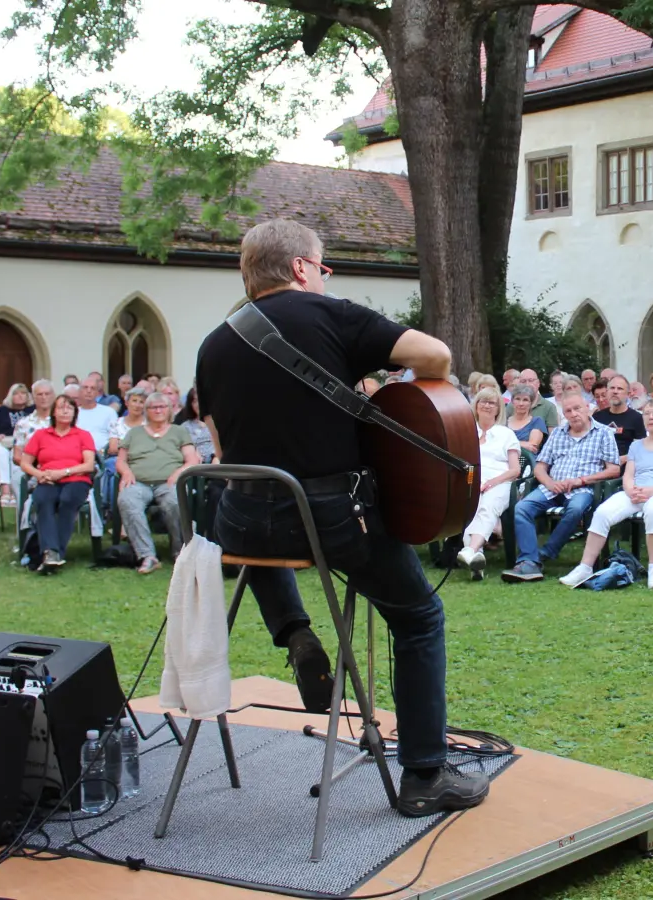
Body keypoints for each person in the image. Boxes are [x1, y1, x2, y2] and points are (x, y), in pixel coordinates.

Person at [194, 218, 488, 815]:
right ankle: (426, 777)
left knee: (262, 532)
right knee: (420, 617)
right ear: (302, 267)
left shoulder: (214, 343)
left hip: (241, 523)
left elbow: (223, 447)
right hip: (332, 523)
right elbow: (436, 355)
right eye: (323, 266)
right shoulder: (331, 316)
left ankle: (295, 633)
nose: (325, 278)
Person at [559, 400, 653, 590]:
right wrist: (630, 490)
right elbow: (628, 475)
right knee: (602, 512)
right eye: (646, 414)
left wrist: (652, 491)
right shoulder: (636, 446)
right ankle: (585, 567)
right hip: (635, 491)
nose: (651, 417)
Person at [502, 391, 621, 582]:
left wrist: (581, 480)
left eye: (577, 408)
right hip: (552, 486)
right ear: (564, 414)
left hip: (582, 488)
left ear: (587, 409)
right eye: (568, 410)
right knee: (522, 508)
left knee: (575, 509)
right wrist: (550, 483)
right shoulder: (557, 433)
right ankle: (529, 560)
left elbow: (613, 470)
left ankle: (544, 554)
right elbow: (540, 467)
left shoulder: (604, 433)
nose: (574, 414)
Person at [115, 391, 200, 574]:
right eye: (153, 407)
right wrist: (127, 471)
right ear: (146, 411)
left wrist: (178, 473)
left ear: (169, 410)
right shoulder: (134, 433)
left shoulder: (179, 431)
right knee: (127, 500)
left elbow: (192, 460)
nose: (158, 410)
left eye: (162, 406)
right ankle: (147, 555)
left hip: (168, 481)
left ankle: (180, 551)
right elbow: (120, 460)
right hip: (138, 482)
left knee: (174, 502)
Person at [19, 393, 96, 570]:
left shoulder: (82, 435)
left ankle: (54, 553)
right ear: (53, 412)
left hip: (77, 479)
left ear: (75, 413)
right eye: (61, 407)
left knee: (68, 500)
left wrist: (63, 472)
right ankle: (51, 552)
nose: (65, 411)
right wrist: (39, 474)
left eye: (69, 408)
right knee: (43, 500)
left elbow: (89, 465)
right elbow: (25, 463)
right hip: (47, 479)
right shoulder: (41, 435)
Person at [455, 389, 523, 580]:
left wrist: (491, 482)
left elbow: (515, 470)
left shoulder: (506, 434)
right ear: (475, 406)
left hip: (500, 482)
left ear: (498, 409)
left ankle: (469, 549)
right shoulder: (466, 433)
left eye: (491, 403)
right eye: (482, 401)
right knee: (467, 512)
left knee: (487, 507)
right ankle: (477, 559)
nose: (486, 405)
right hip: (472, 482)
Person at [0, 384, 31, 506]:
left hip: (23, 444)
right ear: (10, 396)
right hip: (4, 442)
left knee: (15, 453)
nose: (20, 396)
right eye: (16, 393)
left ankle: (14, 492)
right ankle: (5, 490)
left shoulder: (32, 410)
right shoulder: (2, 411)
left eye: (23, 393)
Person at [593, 374, 645, 458]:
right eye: (612, 388)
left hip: (626, 466)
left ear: (628, 394)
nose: (615, 391)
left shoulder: (637, 418)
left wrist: (621, 460)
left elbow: (640, 449)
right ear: (607, 392)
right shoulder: (596, 418)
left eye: (620, 388)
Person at [175, 386, 215, 463]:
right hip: (195, 465)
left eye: (201, 401)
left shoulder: (218, 423)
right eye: (195, 401)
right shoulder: (185, 427)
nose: (198, 405)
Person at [506, 384, 548, 453]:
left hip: (527, 461)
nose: (521, 403)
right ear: (512, 401)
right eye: (517, 399)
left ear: (531, 403)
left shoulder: (537, 421)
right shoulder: (504, 422)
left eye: (525, 400)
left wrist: (507, 443)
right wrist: (522, 444)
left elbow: (532, 447)